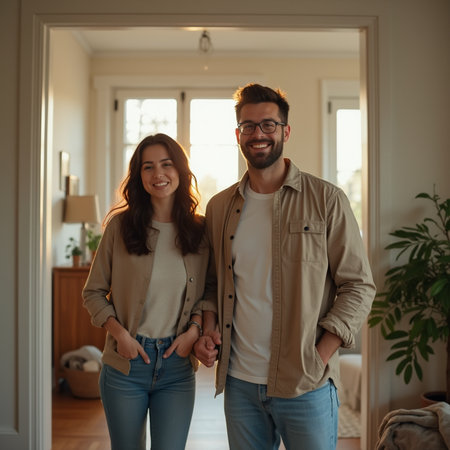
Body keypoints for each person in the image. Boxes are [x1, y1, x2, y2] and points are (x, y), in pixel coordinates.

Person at [194, 84, 376, 450]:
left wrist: (320, 354)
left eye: (268, 125)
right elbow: (212, 284)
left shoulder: (326, 200)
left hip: (306, 382)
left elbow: (358, 285)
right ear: (237, 134)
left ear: (285, 132)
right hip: (240, 383)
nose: (258, 134)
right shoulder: (218, 208)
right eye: (248, 126)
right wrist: (208, 331)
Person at [82, 133, 209, 450]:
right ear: (139, 176)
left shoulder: (199, 229)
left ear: (180, 170)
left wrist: (194, 329)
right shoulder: (120, 228)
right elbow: (93, 292)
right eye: (148, 167)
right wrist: (120, 335)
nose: (158, 175)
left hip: (177, 366)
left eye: (166, 165)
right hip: (126, 364)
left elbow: (211, 290)